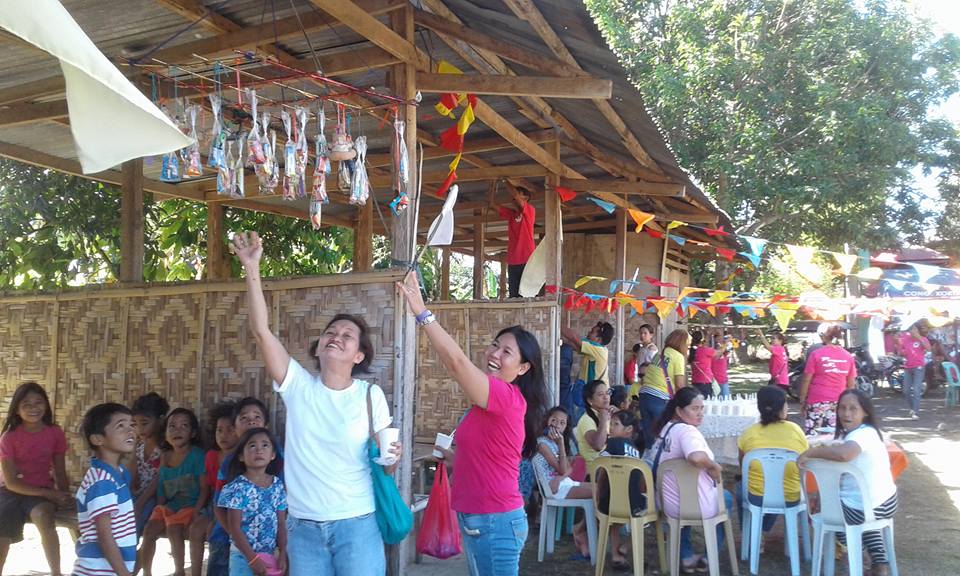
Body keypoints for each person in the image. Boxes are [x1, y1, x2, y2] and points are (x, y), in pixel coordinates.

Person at [233, 231, 400, 576]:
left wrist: (392, 458)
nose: (335, 337)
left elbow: (386, 466)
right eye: (330, 333)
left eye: (346, 336)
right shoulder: (297, 386)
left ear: (359, 355)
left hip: (357, 523)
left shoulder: (370, 396)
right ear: (319, 345)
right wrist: (252, 269)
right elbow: (261, 331)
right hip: (303, 528)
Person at [398, 271, 547, 576]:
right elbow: (487, 458)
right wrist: (452, 459)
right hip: (479, 517)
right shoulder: (486, 402)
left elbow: (456, 362)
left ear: (522, 367)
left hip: (495, 519)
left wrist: (422, 313)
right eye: (495, 345)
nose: (494, 353)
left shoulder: (505, 396)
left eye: (506, 352)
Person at [799, 390, 898, 576]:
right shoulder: (864, 433)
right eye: (842, 408)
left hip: (870, 505)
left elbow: (844, 454)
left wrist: (814, 451)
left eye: (853, 409)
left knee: (825, 512)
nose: (846, 413)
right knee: (852, 511)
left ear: (865, 412)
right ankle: (879, 563)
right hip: (882, 501)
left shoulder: (863, 435)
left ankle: (858, 555)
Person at [650, 387, 734, 574]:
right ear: (679, 411)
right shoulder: (687, 431)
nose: (700, 413)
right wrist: (713, 466)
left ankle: (686, 557)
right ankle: (708, 555)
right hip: (698, 505)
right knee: (726, 497)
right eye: (695, 408)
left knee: (683, 495)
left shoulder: (664, 430)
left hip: (667, 505)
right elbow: (696, 457)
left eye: (702, 408)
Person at [0, 382, 71, 576]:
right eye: (27, 404)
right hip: (10, 491)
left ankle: (56, 572)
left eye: (38, 402)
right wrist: (50, 493)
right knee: (2, 527)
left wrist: (64, 495)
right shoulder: (9, 437)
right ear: (16, 409)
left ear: (46, 405)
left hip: (40, 490)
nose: (34, 408)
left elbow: (59, 469)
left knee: (44, 517)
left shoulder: (54, 432)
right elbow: (12, 482)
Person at [73, 402, 138, 576]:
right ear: (98, 439)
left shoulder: (119, 473)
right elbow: (104, 536)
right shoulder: (103, 482)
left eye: (131, 425)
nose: (130, 431)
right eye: (120, 426)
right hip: (98, 571)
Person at [140, 408, 207, 576]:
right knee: (149, 530)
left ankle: (179, 571)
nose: (177, 430)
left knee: (173, 530)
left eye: (184, 426)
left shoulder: (198, 456)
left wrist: (197, 511)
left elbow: (205, 488)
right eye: (172, 426)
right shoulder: (165, 457)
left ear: (192, 433)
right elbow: (162, 486)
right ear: (165, 433)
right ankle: (146, 572)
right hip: (170, 506)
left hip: (190, 506)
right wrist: (160, 508)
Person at [736, 386, 808, 541]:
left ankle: (753, 533)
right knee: (779, 483)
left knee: (742, 487)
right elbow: (805, 459)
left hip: (755, 497)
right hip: (790, 495)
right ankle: (763, 528)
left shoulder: (748, 433)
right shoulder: (795, 430)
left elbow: (743, 467)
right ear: (782, 408)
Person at [218, 427, 287, 576]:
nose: (259, 450)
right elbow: (234, 527)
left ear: (273, 455)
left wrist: (282, 553)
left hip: (269, 555)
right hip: (243, 555)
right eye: (252, 446)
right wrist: (252, 558)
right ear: (241, 456)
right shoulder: (237, 487)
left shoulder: (277, 486)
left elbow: (281, 523)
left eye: (265, 445)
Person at [531, 407, 593, 559]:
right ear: (547, 421)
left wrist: (562, 474)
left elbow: (567, 470)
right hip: (555, 489)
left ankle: (582, 530)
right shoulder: (542, 444)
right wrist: (561, 447)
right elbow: (563, 468)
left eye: (562, 423)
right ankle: (581, 532)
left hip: (563, 483)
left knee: (602, 489)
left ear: (566, 427)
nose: (557, 425)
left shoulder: (557, 444)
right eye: (554, 420)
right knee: (599, 492)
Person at [193, 401, 237, 576]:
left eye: (230, 430)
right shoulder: (211, 457)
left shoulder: (241, 458)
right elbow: (209, 489)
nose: (224, 435)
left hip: (232, 510)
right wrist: (203, 512)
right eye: (220, 430)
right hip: (214, 505)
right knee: (198, 529)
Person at [798, 323, 856, 434]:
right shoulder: (848, 356)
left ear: (823, 336)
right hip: (840, 402)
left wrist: (802, 399)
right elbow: (851, 384)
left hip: (817, 401)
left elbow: (806, 380)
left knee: (814, 435)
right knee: (835, 435)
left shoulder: (815, 354)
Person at [637, 329, 690, 449]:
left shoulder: (659, 354)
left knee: (649, 437)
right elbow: (680, 385)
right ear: (682, 343)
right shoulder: (678, 357)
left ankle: (648, 463)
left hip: (644, 395)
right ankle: (660, 464)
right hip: (659, 398)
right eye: (687, 344)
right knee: (662, 435)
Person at [130, 392, 169, 535]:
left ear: (160, 421)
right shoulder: (139, 446)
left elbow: (157, 481)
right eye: (135, 424)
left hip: (153, 497)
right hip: (138, 494)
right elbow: (132, 472)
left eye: (145, 423)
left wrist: (140, 503)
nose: (140, 429)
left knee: (137, 520)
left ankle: (128, 553)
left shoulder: (165, 448)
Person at [561, 320, 614, 422]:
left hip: (593, 394)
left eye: (592, 332)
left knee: (583, 421)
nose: (589, 333)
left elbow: (574, 339)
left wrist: (556, 323)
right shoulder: (597, 350)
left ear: (598, 339)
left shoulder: (598, 349)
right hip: (592, 392)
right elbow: (575, 345)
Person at [496, 185, 535, 298]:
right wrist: (493, 186)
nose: (513, 198)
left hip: (527, 259)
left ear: (526, 198)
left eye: (518, 194)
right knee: (514, 295)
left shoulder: (530, 210)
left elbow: (516, 196)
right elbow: (493, 205)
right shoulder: (512, 215)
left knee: (527, 294)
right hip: (513, 261)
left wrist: (505, 181)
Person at [574, 380, 613, 479]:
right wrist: (603, 421)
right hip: (594, 473)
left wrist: (619, 417)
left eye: (607, 393)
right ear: (590, 400)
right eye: (600, 394)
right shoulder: (586, 420)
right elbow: (598, 445)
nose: (606, 397)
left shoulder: (606, 414)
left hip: (609, 468)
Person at [897, 321, 930, 419]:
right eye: (912, 329)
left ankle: (915, 412)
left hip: (919, 367)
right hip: (908, 367)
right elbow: (901, 353)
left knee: (916, 390)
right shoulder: (905, 339)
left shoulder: (923, 339)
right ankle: (912, 408)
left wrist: (919, 338)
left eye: (915, 329)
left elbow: (928, 349)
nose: (913, 331)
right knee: (906, 391)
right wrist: (898, 344)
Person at [691, 331, 719, 398]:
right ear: (702, 339)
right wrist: (725, 343)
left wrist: (708, 334)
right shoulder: (704, 350)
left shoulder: (692, 350)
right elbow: (719, 353)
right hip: (705, 382)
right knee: (706, 403)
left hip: (695, 381)